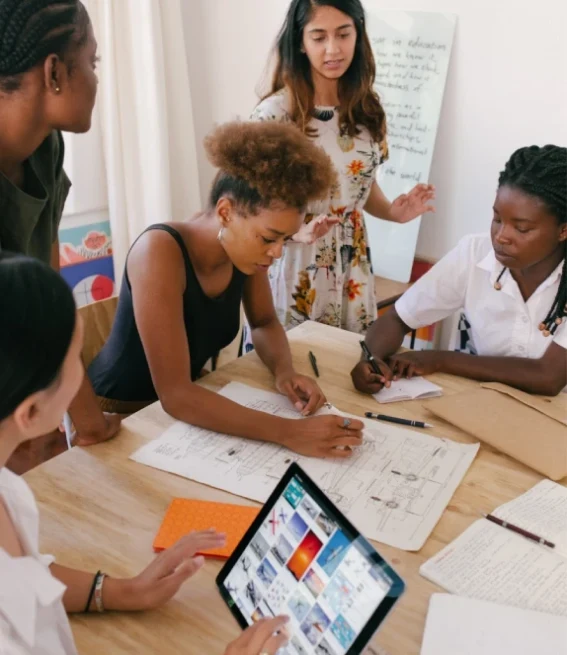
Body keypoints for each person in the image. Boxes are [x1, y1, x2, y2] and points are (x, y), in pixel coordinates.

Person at [0, 252, 291, 655]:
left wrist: (119, 591)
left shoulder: (9, 490)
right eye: (76, 365)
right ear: (31, 413)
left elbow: (20, 578)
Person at [88, 120, 364, 458]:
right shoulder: (158, 252)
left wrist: (284, 371)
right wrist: (288, 431)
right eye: (268, 238)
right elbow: (175, 395)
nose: (277, 252)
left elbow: (263, 322)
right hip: (118, 414)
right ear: (226, 212)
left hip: (186, 400)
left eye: (284, 239)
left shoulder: (245, 253)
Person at [241, 0, 435, 351]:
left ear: (358, 35)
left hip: (352, 262)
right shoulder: (272, 117)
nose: (333, 49)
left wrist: (394, 212)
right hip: (293, 260)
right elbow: (246, 209)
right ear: (301, 42)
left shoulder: (367, 109)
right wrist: (297, 232)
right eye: (319, 37)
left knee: (347, 369)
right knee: (292, 374)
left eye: (343, 34)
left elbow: (359, 186)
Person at [351, 145, 567, 397]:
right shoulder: (475, 253)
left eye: (521, 229)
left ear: (563, 230)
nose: (501, 236)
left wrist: (440, 359)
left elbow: (549, 377)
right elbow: (398, 318)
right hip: (487, 402)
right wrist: (371, 358)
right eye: (497, 219)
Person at [0, 0, 120, 447]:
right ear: (54, 73)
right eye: (91, 62)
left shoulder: (46, 147)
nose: (95, 79)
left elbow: (48, 293)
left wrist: (85, 419)